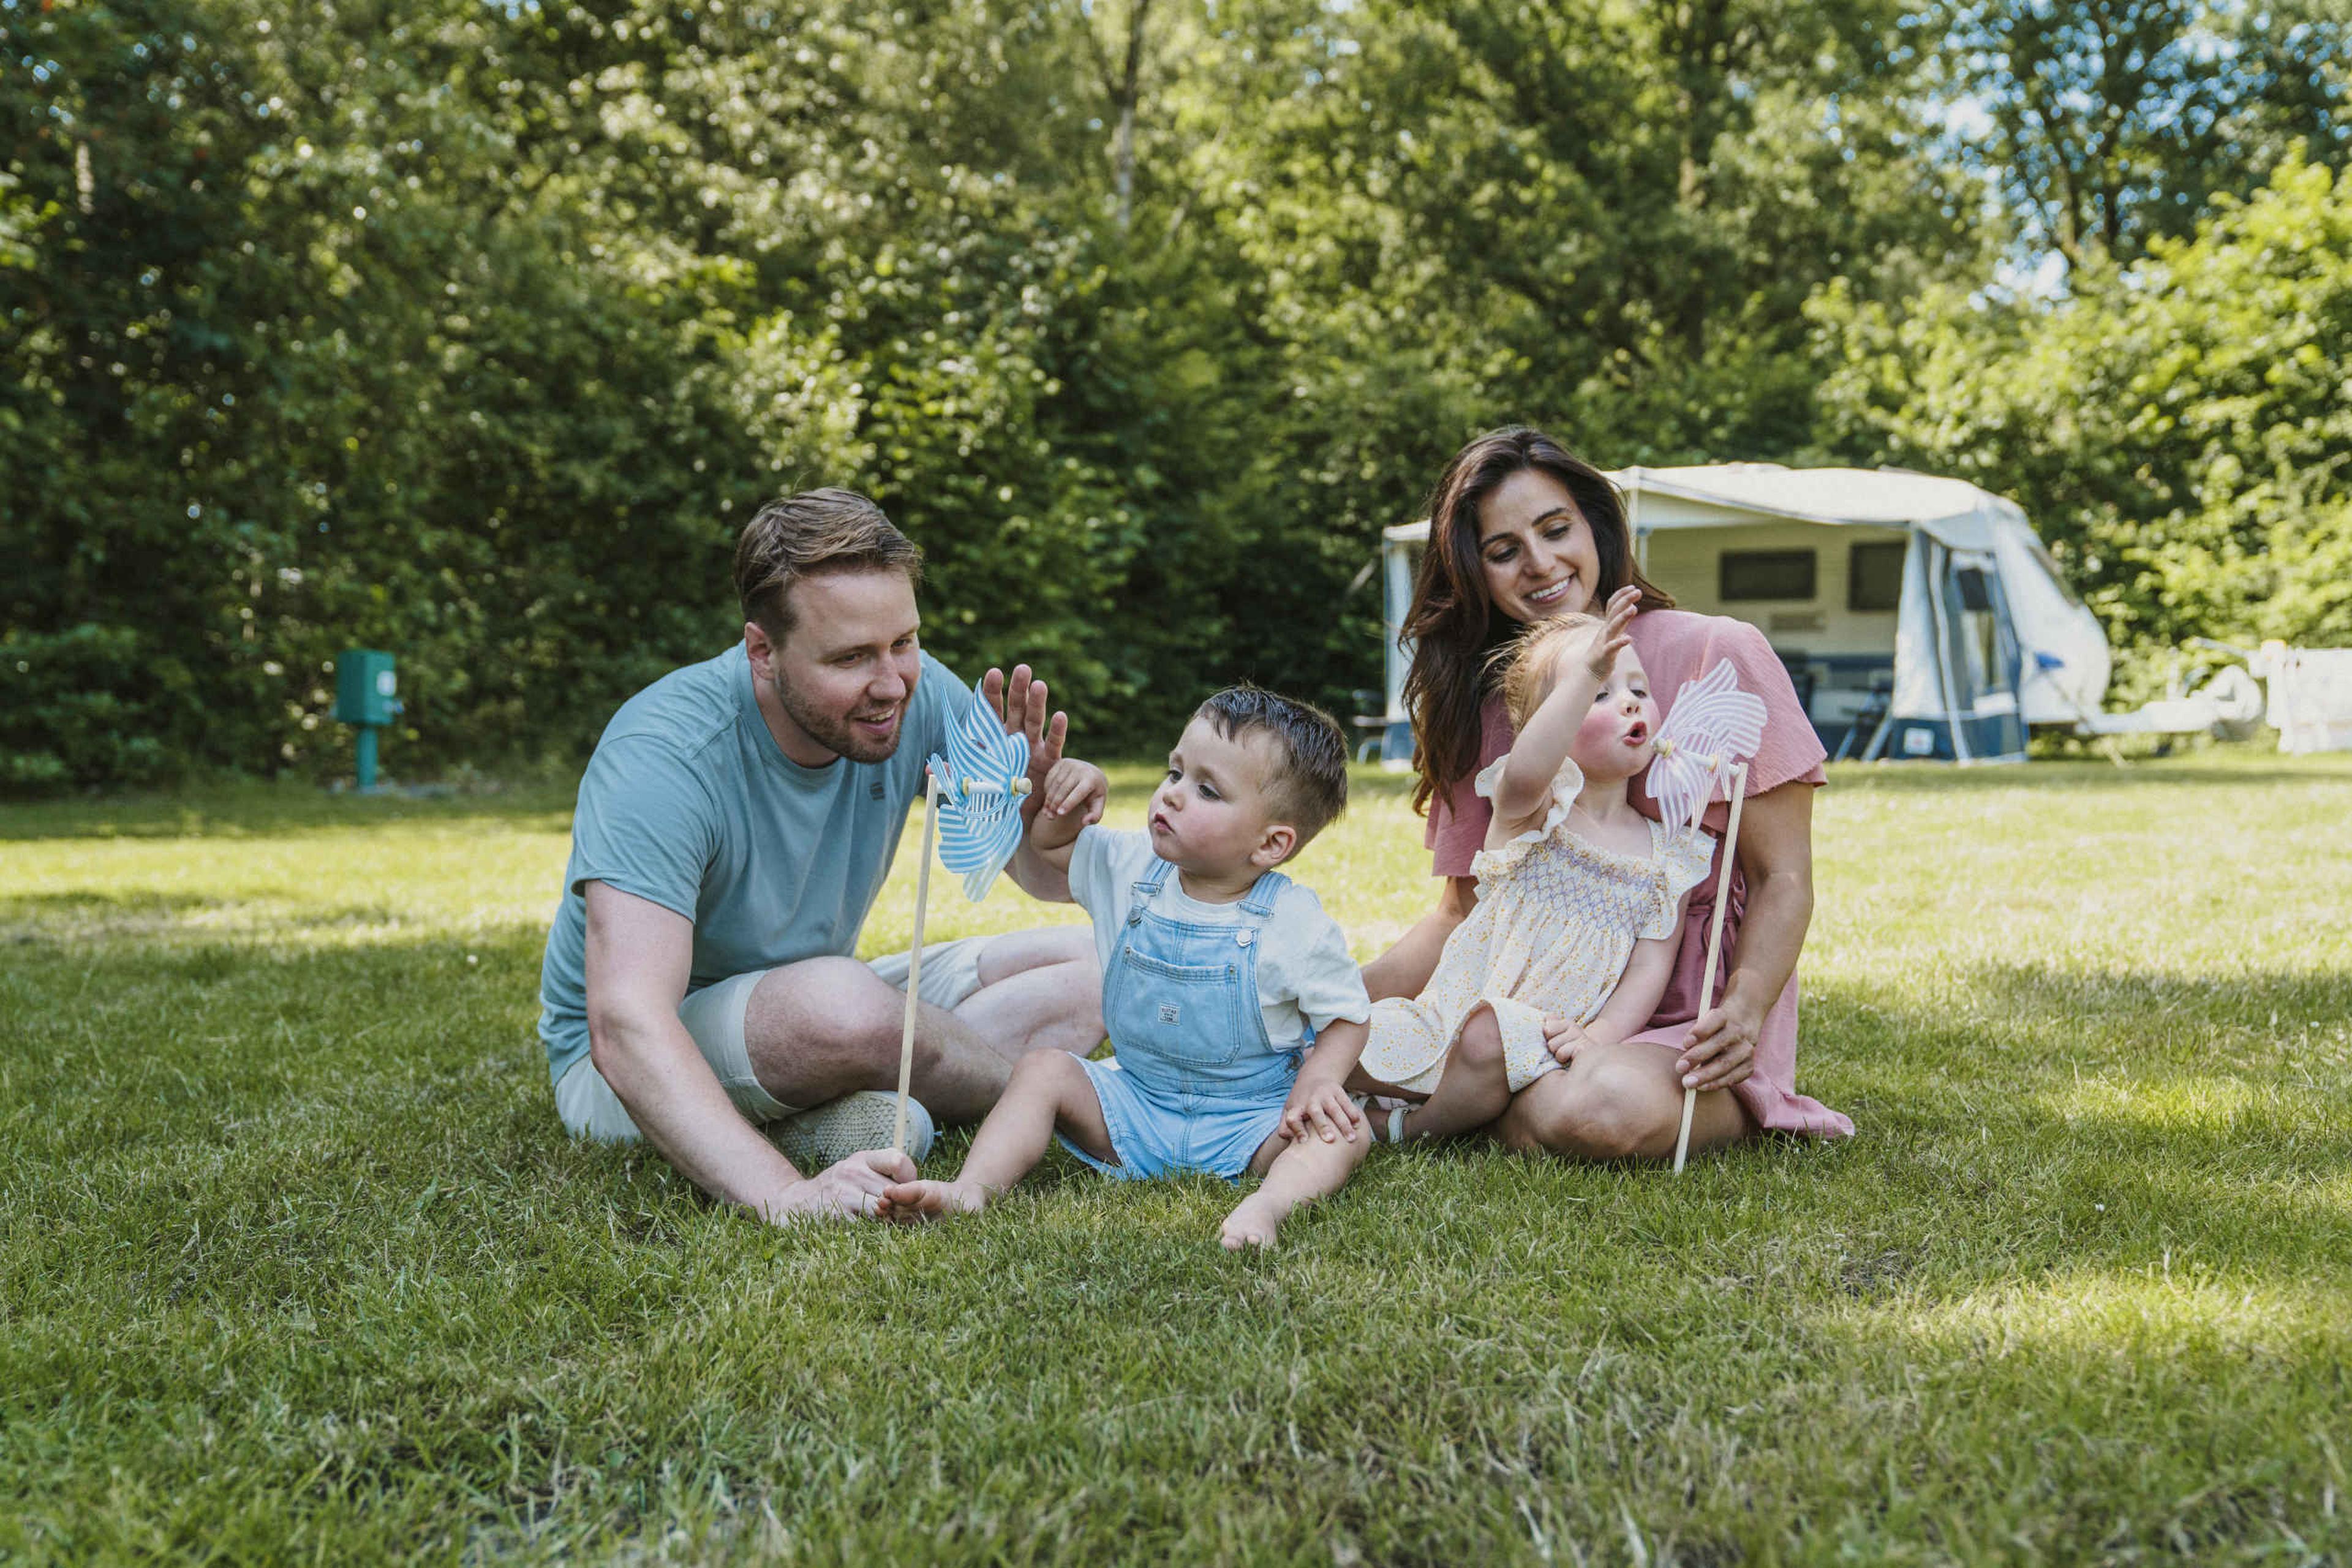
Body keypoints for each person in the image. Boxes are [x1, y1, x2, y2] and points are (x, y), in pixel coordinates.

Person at [536, 489, 1105, 1225]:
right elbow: (626, 1025)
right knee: (842, 1007)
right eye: (850, 657)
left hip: (829, 1003)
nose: (892, 682)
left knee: (1098, 962)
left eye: (905, 641)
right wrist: (787, 1193)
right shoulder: (663, 753)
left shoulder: (916, 692)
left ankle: (878, 1103)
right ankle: (1058, 1099)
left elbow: (1031, 872)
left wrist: (1047, 829)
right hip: (629, 1063)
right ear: (762, 651)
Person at [1364, 427, 1851, 1159]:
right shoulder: (1488, 701)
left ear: (1595, 524)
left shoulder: (1719, 650)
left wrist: (1746, 1009)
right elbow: (1460, 912)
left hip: (1679, 1025)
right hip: (1517, 1008)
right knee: (1336, 1039)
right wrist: (1325, 1003)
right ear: (1475, 572)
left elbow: (1783, 877)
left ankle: (1471, 1098)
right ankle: (1484, 1082)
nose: (1540, 563)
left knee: (1602, 1108)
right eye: (1503, 551)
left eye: (1556, 529)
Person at [883, 687, 1374, 1250]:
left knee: (1345, 1133)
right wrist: (1070, 798)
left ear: (1270, 844)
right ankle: (972, 1189)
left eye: (1207, 790)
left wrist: (1317, 1080)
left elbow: (1348, 1015)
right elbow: (1051, 847)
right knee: (1044, 1068)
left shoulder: (1294, 921)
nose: (1173, 796)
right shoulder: (1128, 866)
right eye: (1174, 773)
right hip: (1134, 1108)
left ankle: (1266, 1206)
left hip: (1251, 1120)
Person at [1352, 594, 1718, 1143]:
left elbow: (1650, 968)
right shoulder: (1535, 808)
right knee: (1342, 1038)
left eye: (1638, 690)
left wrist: (1600, 1036)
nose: (1629, 703)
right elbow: (1528, 768)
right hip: (1449, 1008)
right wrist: (1585, 670)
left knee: (1488, 1042)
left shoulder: (1669, 855)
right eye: (1598, 693)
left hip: (1537, 1036)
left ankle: (1416, 1127)